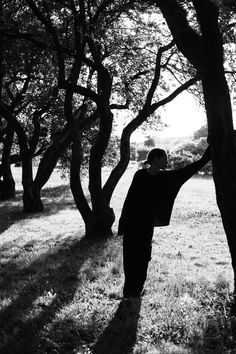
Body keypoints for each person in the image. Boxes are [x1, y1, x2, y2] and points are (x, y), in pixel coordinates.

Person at [118, 145, 211, 298]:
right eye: (165, 158)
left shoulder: (166, 178)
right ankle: (129, 292)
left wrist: (208, 154)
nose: (167, 162)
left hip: (146, 225)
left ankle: (137, 290)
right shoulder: (139, 175)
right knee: (130, 258)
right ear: (155, 159)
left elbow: (189, 169)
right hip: (132, 224)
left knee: (143, 258)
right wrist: (122, 224)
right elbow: (129, 200)